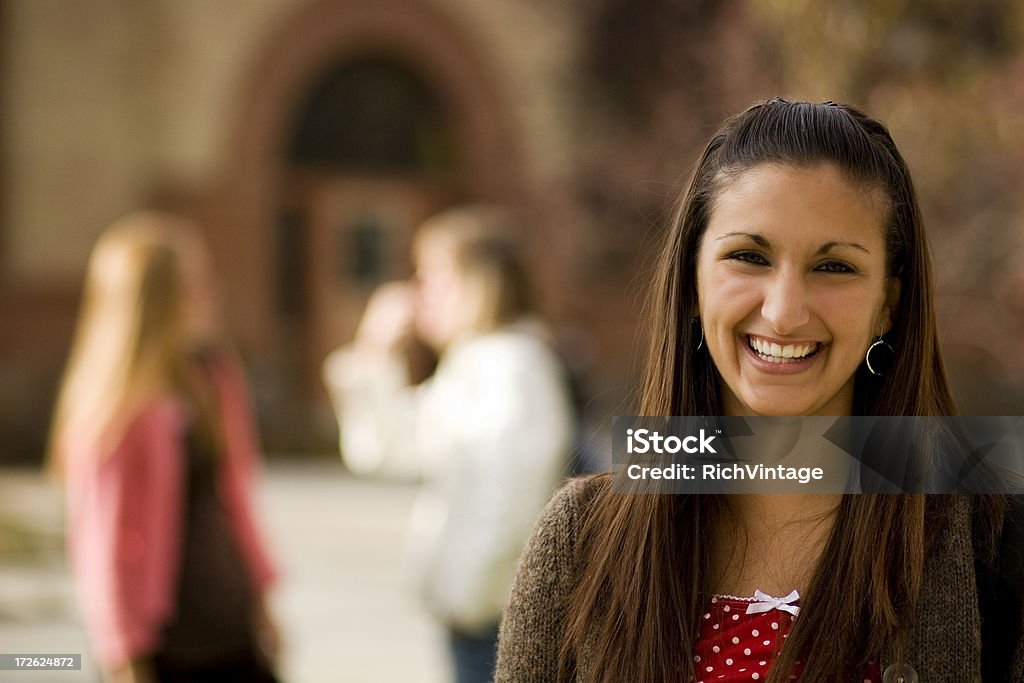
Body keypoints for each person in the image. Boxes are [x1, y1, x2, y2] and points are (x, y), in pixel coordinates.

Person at [494, 99, 1022, 682]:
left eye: (835, 267)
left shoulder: (994, 543)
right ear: (692, 285)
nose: (784, 312)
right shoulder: (579, 540)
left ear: (888, 307)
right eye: (749, 257)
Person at [323, 205, 574, 683]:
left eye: (431, 278)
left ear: (477, 283)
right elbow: (387, 451)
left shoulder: (511, 367)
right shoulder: (473, 364)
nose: (418, 296)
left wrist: (469, 595)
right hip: (478, 610)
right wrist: (374, 354)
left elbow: (513, 500)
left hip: (496, 612)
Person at [49, 212, 282, 683]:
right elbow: (102, 538)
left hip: (228, 619)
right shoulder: (115, 409)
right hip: (164, 638)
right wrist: (121, 650)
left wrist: (262, 598)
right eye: (191, 283)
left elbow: (235, 495)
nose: (208, 292)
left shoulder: (212, 373)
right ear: (152, 301)